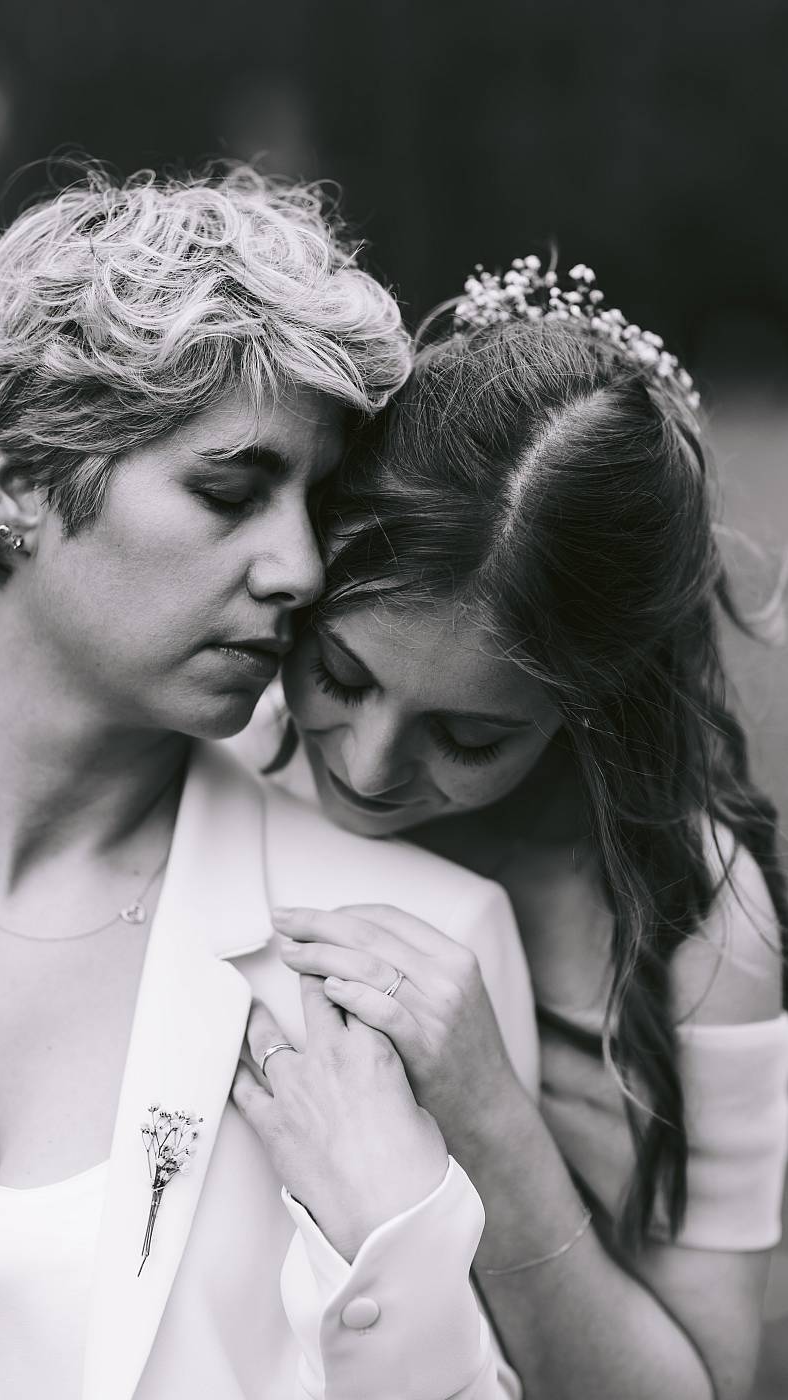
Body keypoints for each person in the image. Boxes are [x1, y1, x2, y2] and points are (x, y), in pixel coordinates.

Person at [0, 167, 542, 1400]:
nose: (298, 568)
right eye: (230, 491)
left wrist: (397, 1252)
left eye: (316, 507)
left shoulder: (403, 962)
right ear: (18, 478)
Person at [235, 257, 788, 1400]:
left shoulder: (697, 924)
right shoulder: (223, 759)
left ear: (587, 704)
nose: (367, 765)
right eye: (339, 673)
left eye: (469, 736)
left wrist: (491, 1116)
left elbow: (703, 1384)